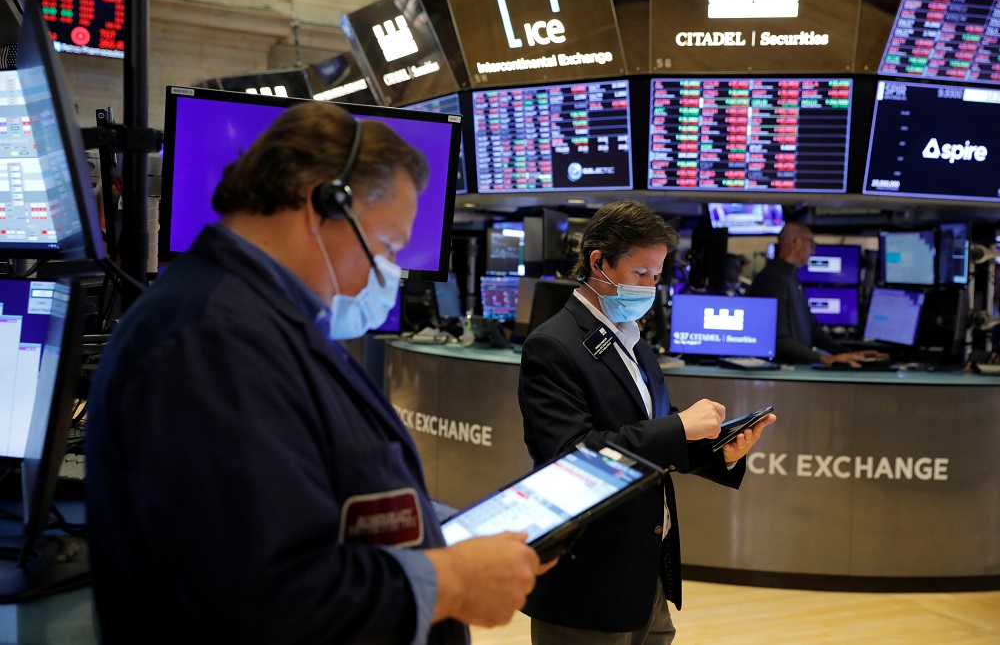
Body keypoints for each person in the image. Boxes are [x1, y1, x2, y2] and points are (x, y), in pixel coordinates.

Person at [85, 101, 550, 644]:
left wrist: (435, 526)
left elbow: (311, 496)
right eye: (385, 246)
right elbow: (264, 604)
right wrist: (452, 580)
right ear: (323, 203)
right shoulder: (211, 344)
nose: (388, 271)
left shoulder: (263, 322)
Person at [518, 199, 775, 644]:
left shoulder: (631, 337)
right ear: (598, 262)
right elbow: (572, 456)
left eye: (656, 276)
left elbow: (648, 424)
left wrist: (717, 450)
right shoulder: (552, 345)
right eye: (640, 274)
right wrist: (679, 428)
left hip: (646, 567)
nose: (649, 287)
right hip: (587, 578)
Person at [747, 222, 881, 366]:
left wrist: (847, 353)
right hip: (781, 371)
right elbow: (779, 339)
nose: (813, 251)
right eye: (811, 244)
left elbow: (813, 330)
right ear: (796, 243)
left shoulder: (792, 279)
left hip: (796, 368)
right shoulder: (772, 281)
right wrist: (824, 359)